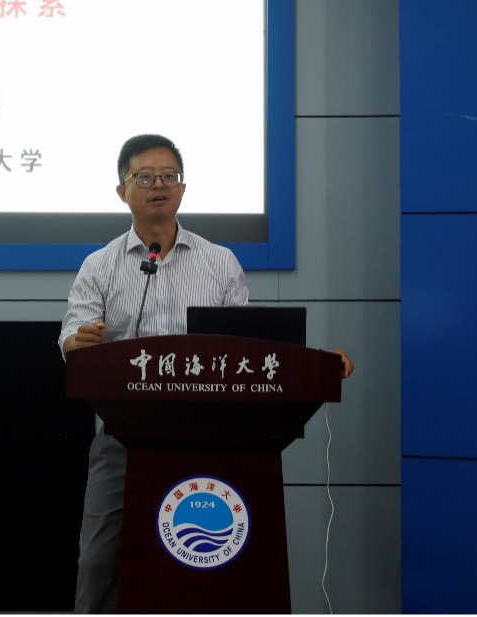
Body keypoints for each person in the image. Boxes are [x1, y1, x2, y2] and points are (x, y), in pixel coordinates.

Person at [59, 133, 353, 613]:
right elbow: (72, 337)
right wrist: (77, 343)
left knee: (221, 565)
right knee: (97, 562)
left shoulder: (219, 262)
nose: (159, 185)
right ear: (121, 191)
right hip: (123, 438)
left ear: (182, 187)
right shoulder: (100, 266)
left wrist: (316, 362)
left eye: (169, 176)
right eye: (145, 177)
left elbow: (251, 349)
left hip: (219, 439)